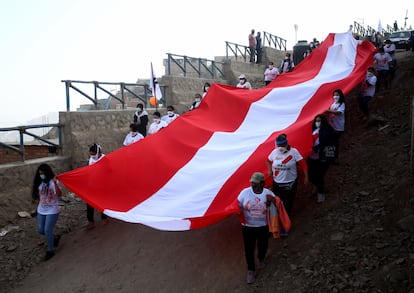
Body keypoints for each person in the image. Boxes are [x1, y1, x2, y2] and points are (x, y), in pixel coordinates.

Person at [237, 172, 276, 284]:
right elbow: (237, 206)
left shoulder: (268, 193)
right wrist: (237, 211)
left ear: (263, 183)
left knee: (263, 245)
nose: (253, 185)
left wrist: (272, 201)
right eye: (252, 183)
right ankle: (251, 270)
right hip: (247, 227)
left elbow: (278, 205)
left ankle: (261, 258)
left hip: (262, 226)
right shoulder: (244, 193)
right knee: (249, 248)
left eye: (256, 183)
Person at [266, 134, 308, 222]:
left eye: (282, 145)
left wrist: (306, 177)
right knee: (276, 203)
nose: (280, 147)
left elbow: (303, 164)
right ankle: (276, 222)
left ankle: (285, 223)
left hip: (290, 183)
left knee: (287, 204)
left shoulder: (294, 152)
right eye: (279, 145)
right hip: (277, 183)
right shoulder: (274, 152)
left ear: (286, 143)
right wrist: (270, 170)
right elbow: (268, 161)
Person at [32, 163, 63, 261]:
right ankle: (55, 237)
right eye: (40, 173)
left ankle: (50, 251)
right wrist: (36, 208)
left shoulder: (53, 182)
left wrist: (55, 184)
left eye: (43, 173)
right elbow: (38, 197)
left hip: (52, 209)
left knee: (47, 230)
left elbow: (59, 194)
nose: (41, 175)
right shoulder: (39, 182)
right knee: (41, 230)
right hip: (41, 209)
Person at [307, 114, 336, 203]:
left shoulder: (327, 130)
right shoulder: (313, 130)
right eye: (316, 120)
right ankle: (318, 186)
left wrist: (316, 148)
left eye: (319, 121)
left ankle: (320, 193)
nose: (317, 122)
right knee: (310, 175)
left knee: (319, 176)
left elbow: (325, 141)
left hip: (322, 157)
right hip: (311, 157)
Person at [85, 143, 108, 229]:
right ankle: (90, 221)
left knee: (103, 201)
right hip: (93, 184)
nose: (92, 155)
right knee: (89, 201)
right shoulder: (91, 159)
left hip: (103, 184)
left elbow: (108, 171)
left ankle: (104, 217)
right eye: (91, 154)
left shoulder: (104, 159)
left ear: (98, 152)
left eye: (93, 154)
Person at [325, 89, 346, 163]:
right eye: (334, 95)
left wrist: (328, 111)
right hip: (332, 126)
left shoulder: (342, 104)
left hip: (338, 127)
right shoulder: (333, 104)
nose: (335, 96)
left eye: (337, 95)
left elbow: (338, 113)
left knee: (334, 142)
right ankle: (330, 157)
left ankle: (334, 158)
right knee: (331, 142)